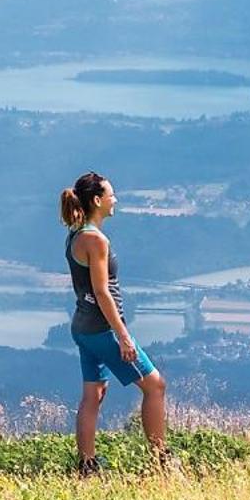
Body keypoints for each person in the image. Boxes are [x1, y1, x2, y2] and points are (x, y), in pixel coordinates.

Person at [60, 171, 167, 476]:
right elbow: (102, 291)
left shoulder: (76, 234)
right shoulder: (96, 239)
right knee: (155, 386)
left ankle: (87, 465)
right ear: (97, 200)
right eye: (111, 194)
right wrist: (123, 336)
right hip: (102, 329)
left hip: (83, 327)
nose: (114, 199)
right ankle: (161, 459)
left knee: (93, 394)